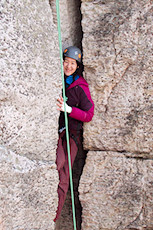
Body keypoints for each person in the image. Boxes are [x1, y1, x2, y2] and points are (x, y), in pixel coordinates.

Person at [54, 46, 94, 228]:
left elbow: (89, 114)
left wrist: (69, 110)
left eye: (72, 63)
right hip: (59, 131)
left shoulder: (80, 87)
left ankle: (54, 215)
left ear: (77, 66)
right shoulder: (58, 79)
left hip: (72, 135)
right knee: (58, 161)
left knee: (63, 173)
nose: (68, 66)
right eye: (66, 62)